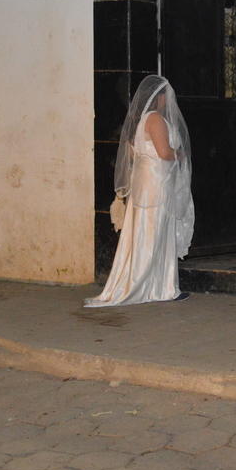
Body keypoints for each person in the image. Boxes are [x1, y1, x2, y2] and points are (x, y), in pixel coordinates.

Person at [85, 75, 194, 307]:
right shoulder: (155, 119)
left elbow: (135, 153)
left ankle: (157, 285)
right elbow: (164, 153)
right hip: (157, 185)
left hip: (147, 184)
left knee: (145, 232)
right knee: (154, 233)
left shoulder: (142, 119)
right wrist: (180, 154)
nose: (169, 101)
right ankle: (158, 287)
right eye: (166, 96)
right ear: (159, 97)